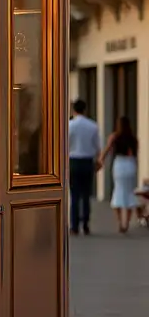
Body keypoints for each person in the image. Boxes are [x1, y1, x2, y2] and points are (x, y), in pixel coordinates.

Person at [100, 115, 139, 234]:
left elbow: (106, 150)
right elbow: (134, 153)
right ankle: (126, 223)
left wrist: (100, 160)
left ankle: (119, 222)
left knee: (118, 192)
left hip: (119, 165)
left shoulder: (114, 137)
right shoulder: (133, 138)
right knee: (129, 193)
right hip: (130, 164)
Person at [67, 99, 100, 236]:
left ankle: (74, 226)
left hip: (73, 161)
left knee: (74, 195)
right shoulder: (93, 126)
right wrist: (97, 161)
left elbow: (65, 145)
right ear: (85, 109)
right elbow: (97, 146)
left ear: (74, 110)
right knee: (86, 195)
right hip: (87, 161)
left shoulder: (69, 125)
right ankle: (85, 224)